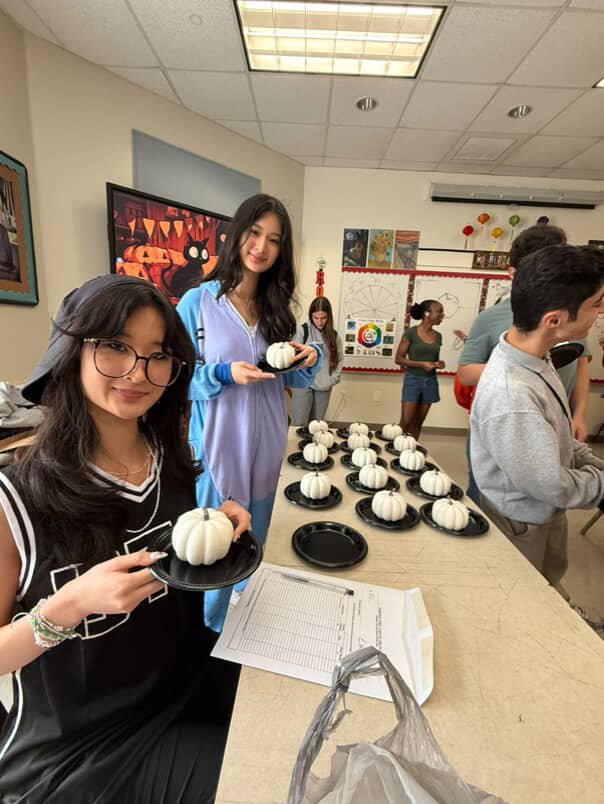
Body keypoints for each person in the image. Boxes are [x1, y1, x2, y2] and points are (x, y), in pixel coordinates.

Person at [0, 274, 251, 802]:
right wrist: (65, 608)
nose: (138, 372)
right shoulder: (15, 494)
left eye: (157, 354)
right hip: (83, 745)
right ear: (73, 349)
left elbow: (176, 567)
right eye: (115, 347)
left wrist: (213, 531)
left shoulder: (171, 460)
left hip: (184, 682)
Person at [177, 194, 321, 631]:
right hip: (218, 445)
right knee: (214, 545)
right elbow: (175, 378)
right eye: (254, 233)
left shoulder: (279, 310)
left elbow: (293, 381)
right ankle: (206, 636)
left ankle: (245, 630)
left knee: (255, 539)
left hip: (268, 446)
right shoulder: (196, 304)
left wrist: (309, 358)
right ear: (236, 234)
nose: (261, 246)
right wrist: (222, 372)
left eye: (274, 240)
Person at [470, 245, 604, 598]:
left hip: (543, 512)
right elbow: (549, 484)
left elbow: (556, 433)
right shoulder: (512, 394)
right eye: (596, 303)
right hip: (522, 521)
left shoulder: (536, 360)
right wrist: (601, 485)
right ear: (555, 319)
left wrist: (592, 465)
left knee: (550, 582)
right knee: (526, 599)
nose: (600, 311)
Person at [457, 224, 593, 503]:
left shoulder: (563, 328)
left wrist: (577, 415)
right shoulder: (512, 379)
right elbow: (467, 372)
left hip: (553, 425)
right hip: (515, 438)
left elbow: (580, 365)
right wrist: (513, 372)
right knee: (501, 505)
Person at [394, 299, 445, 440]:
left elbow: (434, 360)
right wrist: (421, 365)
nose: (442, 315)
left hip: (431, 381)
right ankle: (397, 449)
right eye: (439, 311)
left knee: (418, 422)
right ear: (427, 313)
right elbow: (399, 359)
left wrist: (438, 364)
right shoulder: (411, 333)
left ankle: (411, 451)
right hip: (413, 380)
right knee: (406, 421)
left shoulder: (438, 336)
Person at [291, 296, 343, 425]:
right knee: (299, 423)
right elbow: (293, 358)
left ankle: (315, 446)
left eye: (323, 318)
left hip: (324, 385)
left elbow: (340, 360)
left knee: (317, 425)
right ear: (311, 316)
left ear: (329, 317)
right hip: (303, 385)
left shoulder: (334, 336)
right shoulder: (302, 331)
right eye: (316, 318)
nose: (319, 322)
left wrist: (333, 379)